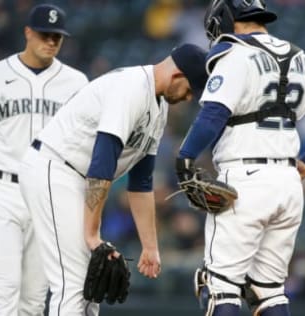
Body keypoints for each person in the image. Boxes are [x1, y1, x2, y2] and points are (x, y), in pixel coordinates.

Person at [175, 1, 305, 316]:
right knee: (269, 292)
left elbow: (214, 114)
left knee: (219, 286)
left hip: (245, 180)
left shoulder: (234, 54)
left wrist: (185, 157)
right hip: (288, 184)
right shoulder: (303, 58)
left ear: (225, 20)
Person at [18, 43, 208, 316]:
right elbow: (102, 164)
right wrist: (92, 233)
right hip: (54, 167)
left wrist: (150, 247)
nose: (189, 98)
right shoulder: (131, 88)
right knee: (73, 282)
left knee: (91, 283)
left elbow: (141, 182)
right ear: (177, 75)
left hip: (75, 177)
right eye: (190, 89)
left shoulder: (159, 107)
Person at [0, 4, 88, 315]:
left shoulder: (77, 83)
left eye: (56, 37)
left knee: (34, 301)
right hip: (0, 191)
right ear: (27, 32)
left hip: (50, 193)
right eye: (44, 35)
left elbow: (84, 146)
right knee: (4, 294)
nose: (50, 42)